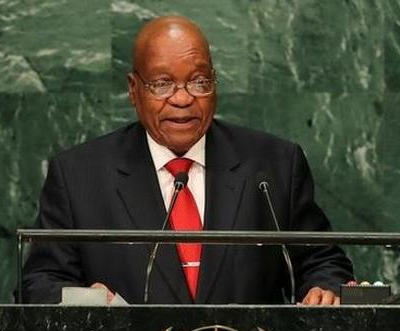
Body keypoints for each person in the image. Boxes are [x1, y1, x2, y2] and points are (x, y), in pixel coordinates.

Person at [20, 16, 353, 305]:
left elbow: (322, 262)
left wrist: (324, 287)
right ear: (134, 90)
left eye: (199, 81)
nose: (182, 98)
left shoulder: (274, 165)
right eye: (162, 84)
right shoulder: (79, 175)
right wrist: (88, 301)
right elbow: (39, 285)